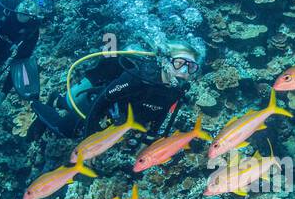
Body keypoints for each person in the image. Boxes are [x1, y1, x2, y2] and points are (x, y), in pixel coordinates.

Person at [34, 43, 202, 139]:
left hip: (120, 121)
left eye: (191, 66)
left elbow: (162, 113)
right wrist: (89, 139)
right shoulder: (138, 78)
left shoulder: (176, 91)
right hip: (100, 104)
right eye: (179, 63)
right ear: (165, 61)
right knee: (65, 130)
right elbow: (102, 101)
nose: (184, 72)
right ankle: (47, 102)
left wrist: (148, 138)